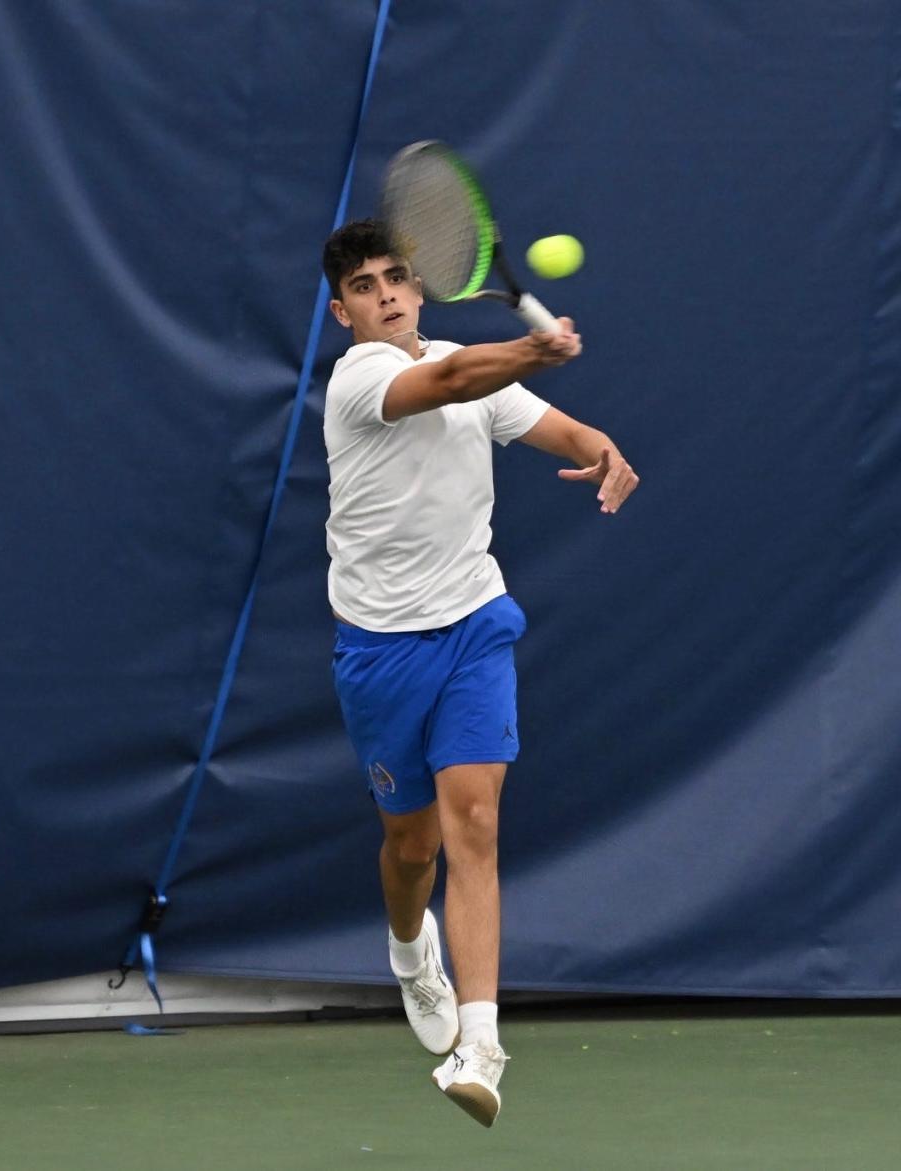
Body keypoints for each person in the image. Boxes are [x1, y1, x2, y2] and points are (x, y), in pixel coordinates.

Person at [321, 219, 638, 1127]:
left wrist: (597, 445)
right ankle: (408, 944)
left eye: (397, 277)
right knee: (411, 848)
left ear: (421, 290)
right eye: (365, 285)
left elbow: (551, 425)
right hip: (380, 649)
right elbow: (457, 378)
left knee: (476, 821)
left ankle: (481, 1041)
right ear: (342, 312)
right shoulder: (362, 378)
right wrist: (536, 349)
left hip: (473, 626)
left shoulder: (472, 367)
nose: (385, 292)